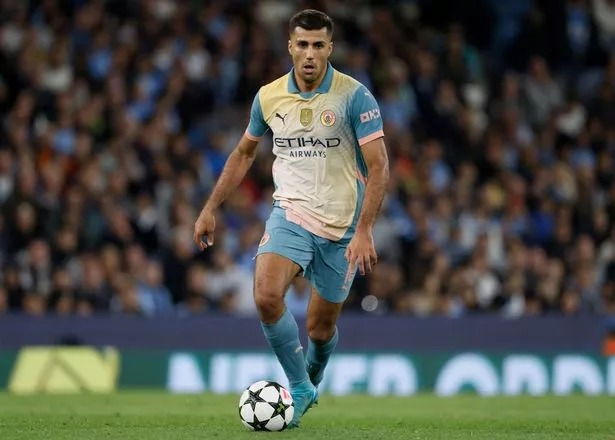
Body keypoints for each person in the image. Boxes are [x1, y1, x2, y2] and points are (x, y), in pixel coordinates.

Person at [193, 9, 389, 427]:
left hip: (342, 228)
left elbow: (379, 166)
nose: (310, 54)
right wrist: (210, 207)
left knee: (320, 330)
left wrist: (365, 230)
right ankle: (299, 389)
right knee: (265, 295)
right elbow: (244, 153)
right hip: (291, 213)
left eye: (318, 45)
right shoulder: (268, 96)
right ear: (290, 47)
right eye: (302, 44)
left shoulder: (355, 97)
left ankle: (309, 380)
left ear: (330, 48)